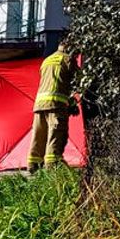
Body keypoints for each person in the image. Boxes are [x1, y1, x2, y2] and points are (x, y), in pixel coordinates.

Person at [28, 41, 79, 173]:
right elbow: (78, 81)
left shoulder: (47, 60)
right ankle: (53, 166)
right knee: (56, 134)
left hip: (39, 103)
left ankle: (33, 164)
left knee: (39, 134)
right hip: (56, 103)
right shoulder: (68, 59)